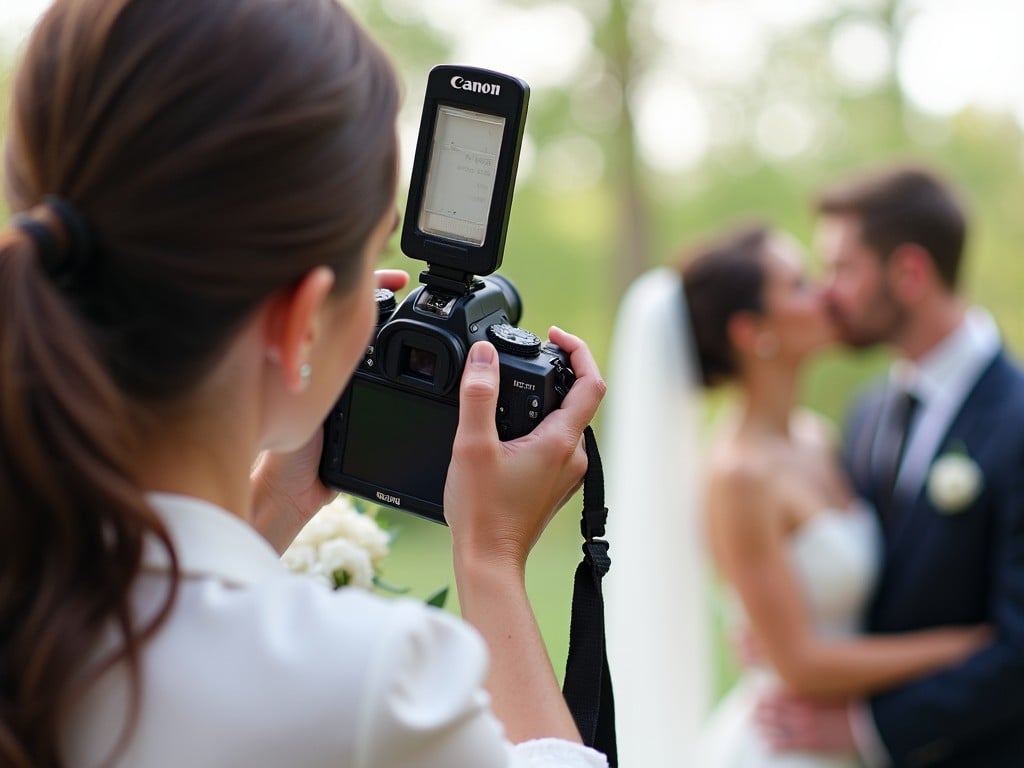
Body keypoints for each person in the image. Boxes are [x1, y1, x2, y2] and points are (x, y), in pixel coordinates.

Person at [0, 1, 609, 766]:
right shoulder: (367, 685)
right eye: (374, 250)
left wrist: (278, 503)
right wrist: (490, 557)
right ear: (300, 325)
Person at [603, 222, 989, 767]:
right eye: (800, 285)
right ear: (753, 331)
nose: (827, 293)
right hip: (787, 747)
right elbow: (801, 664)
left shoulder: (818, 437)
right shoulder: (740, 476)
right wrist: (962, 648)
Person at [756, 165, 1024, 767]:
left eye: (843, 269)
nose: (826, 292)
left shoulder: (1019, 419)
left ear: (909, 273)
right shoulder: (868, 411)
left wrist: (868, 729)